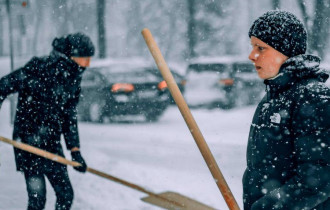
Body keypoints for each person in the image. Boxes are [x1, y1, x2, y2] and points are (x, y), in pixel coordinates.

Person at [243, 10, 330, 210]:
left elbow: (318, 179)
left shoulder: (313, 97)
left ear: (285, 51)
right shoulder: (273, 97)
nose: (252, 56)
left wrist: (266, 208)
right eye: (252, 47)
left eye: (261, 48)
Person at [0, 32, 95, 210]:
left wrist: (75, 151)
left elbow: (69, 116)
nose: (88, 63)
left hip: (51, 143)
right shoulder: (38, 68)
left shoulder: (73, 79)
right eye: (84, 58)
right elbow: (3, 86)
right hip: (27, 143)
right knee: (37, 200)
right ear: (71, 55)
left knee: (65, 195)